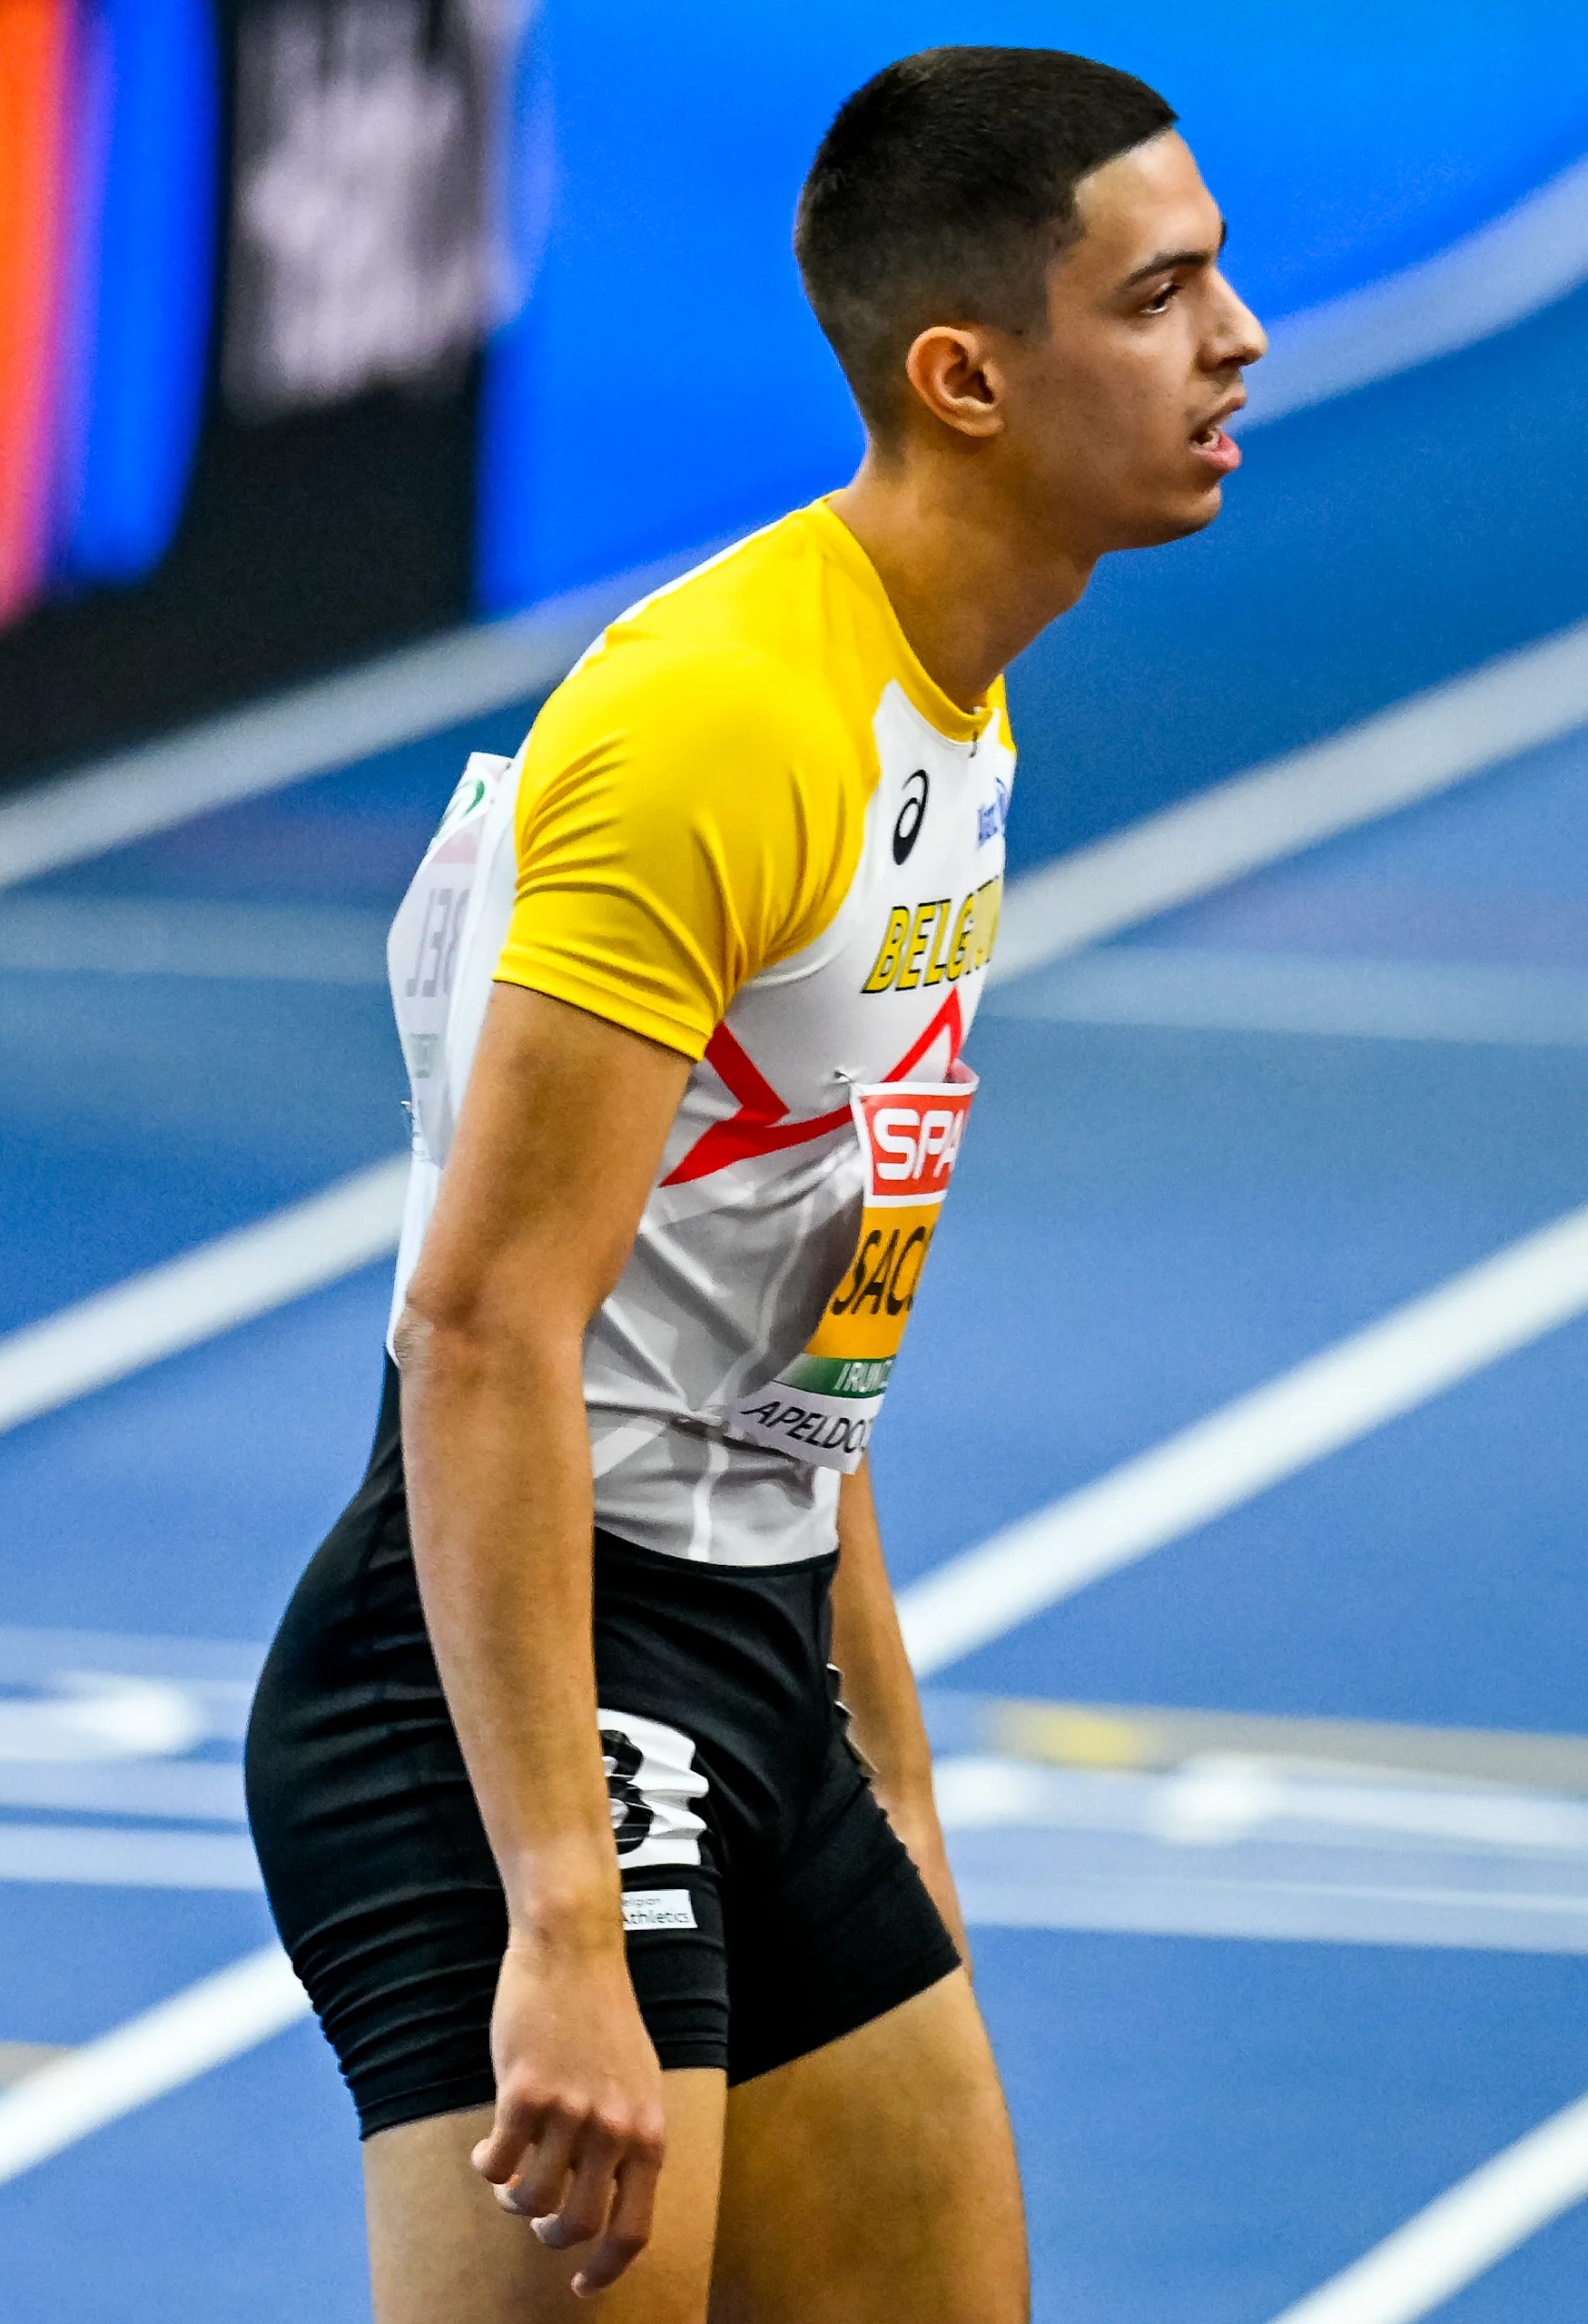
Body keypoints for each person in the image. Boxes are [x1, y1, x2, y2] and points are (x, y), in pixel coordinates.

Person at [243, 46, 1264, 2319]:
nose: (1240, 336)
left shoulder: (955, 708)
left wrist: (881, 1771)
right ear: (966, 375)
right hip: (512, 1678)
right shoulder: (722, 722)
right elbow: (486, 1321)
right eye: (1165, 291)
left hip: (750, 1650)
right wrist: (561, 1914)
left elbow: (804, 1306)